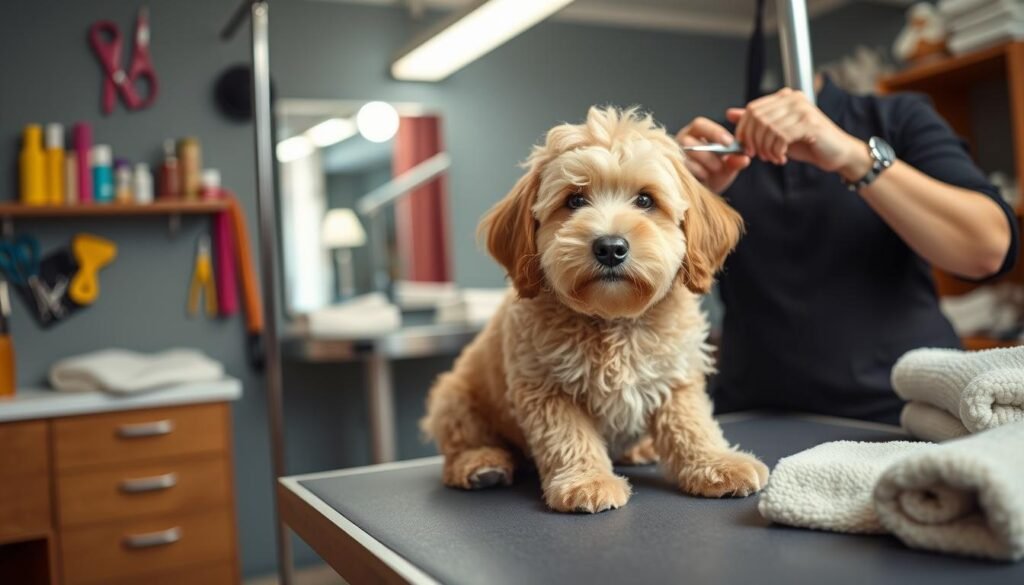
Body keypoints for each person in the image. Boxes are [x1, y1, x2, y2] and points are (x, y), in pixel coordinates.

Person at [676, 74, 1018, 424]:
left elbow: (988, 250)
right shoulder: (714, 149)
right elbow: (659, 291)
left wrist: (854, 157)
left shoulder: (898, 118)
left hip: (909, 411)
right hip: (752, 416)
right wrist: (682, 201)